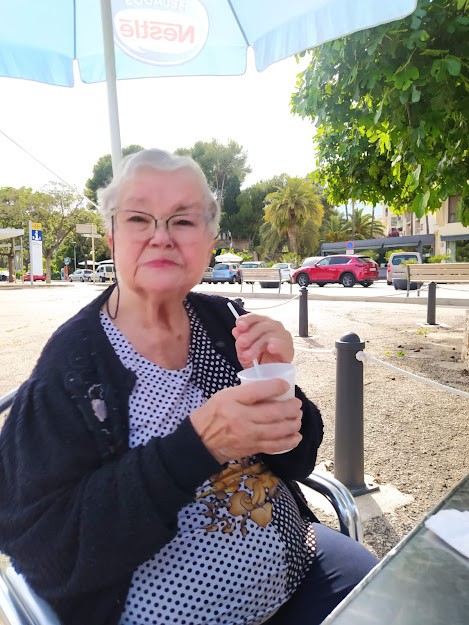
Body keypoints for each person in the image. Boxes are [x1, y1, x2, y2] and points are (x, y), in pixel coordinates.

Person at [0, 149, 378, 625]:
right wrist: (199, 445)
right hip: (168, 614)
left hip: (303, 567)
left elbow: (298, 461)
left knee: (399, 601)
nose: (161, 236)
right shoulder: (72, 366)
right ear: (112, 236)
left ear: (210, 241)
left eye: (182, 221)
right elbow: (45, 552)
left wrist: (280, 385)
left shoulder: (224, 321)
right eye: (139, 218)